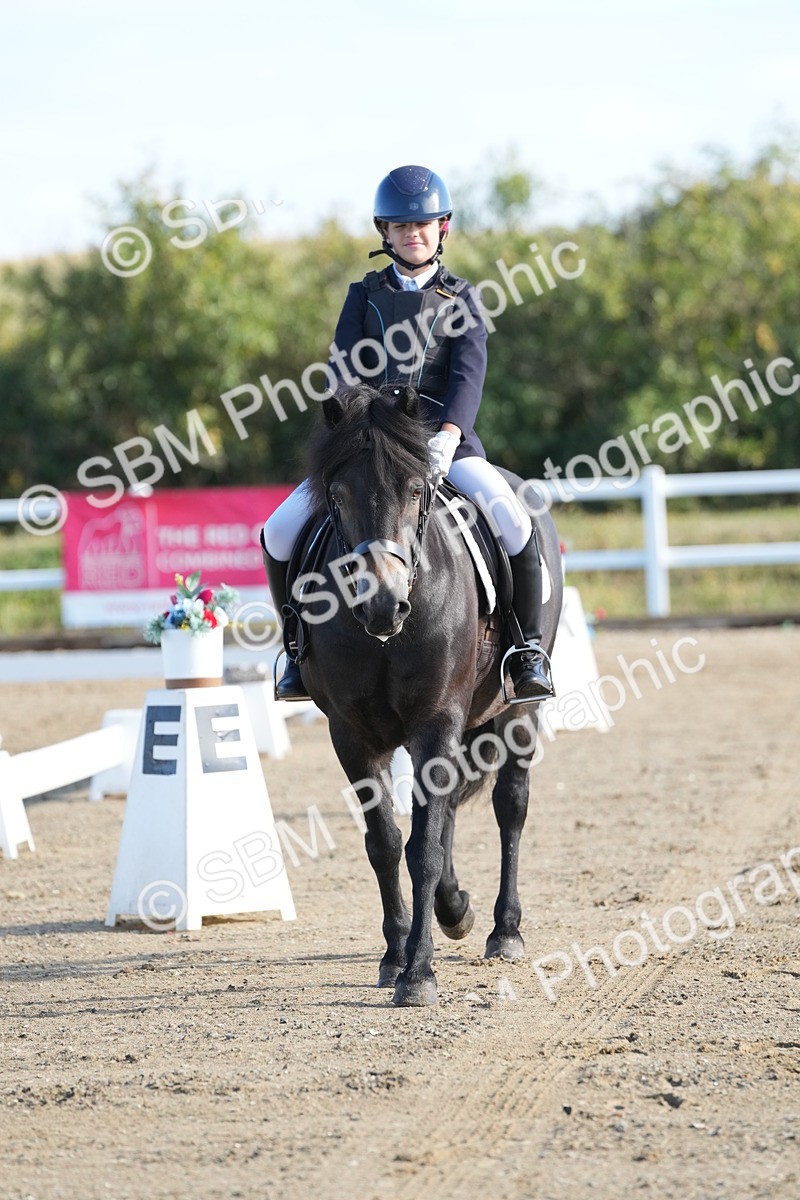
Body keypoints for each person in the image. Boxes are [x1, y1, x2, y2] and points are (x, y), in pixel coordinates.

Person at [262, 164, 554, 704]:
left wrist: (445, 436)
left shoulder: (462, 298)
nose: (411, 235)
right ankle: (297, 653)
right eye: (401, 227)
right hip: (370, 449)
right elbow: (344, 370)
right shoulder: (362, 296)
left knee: (513, 522)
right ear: (385, 233)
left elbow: (469, 375)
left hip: (446, 444)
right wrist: (350, 423)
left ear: (441, 229)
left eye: (422, 225)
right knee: (278, 532)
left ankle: (527, 649)